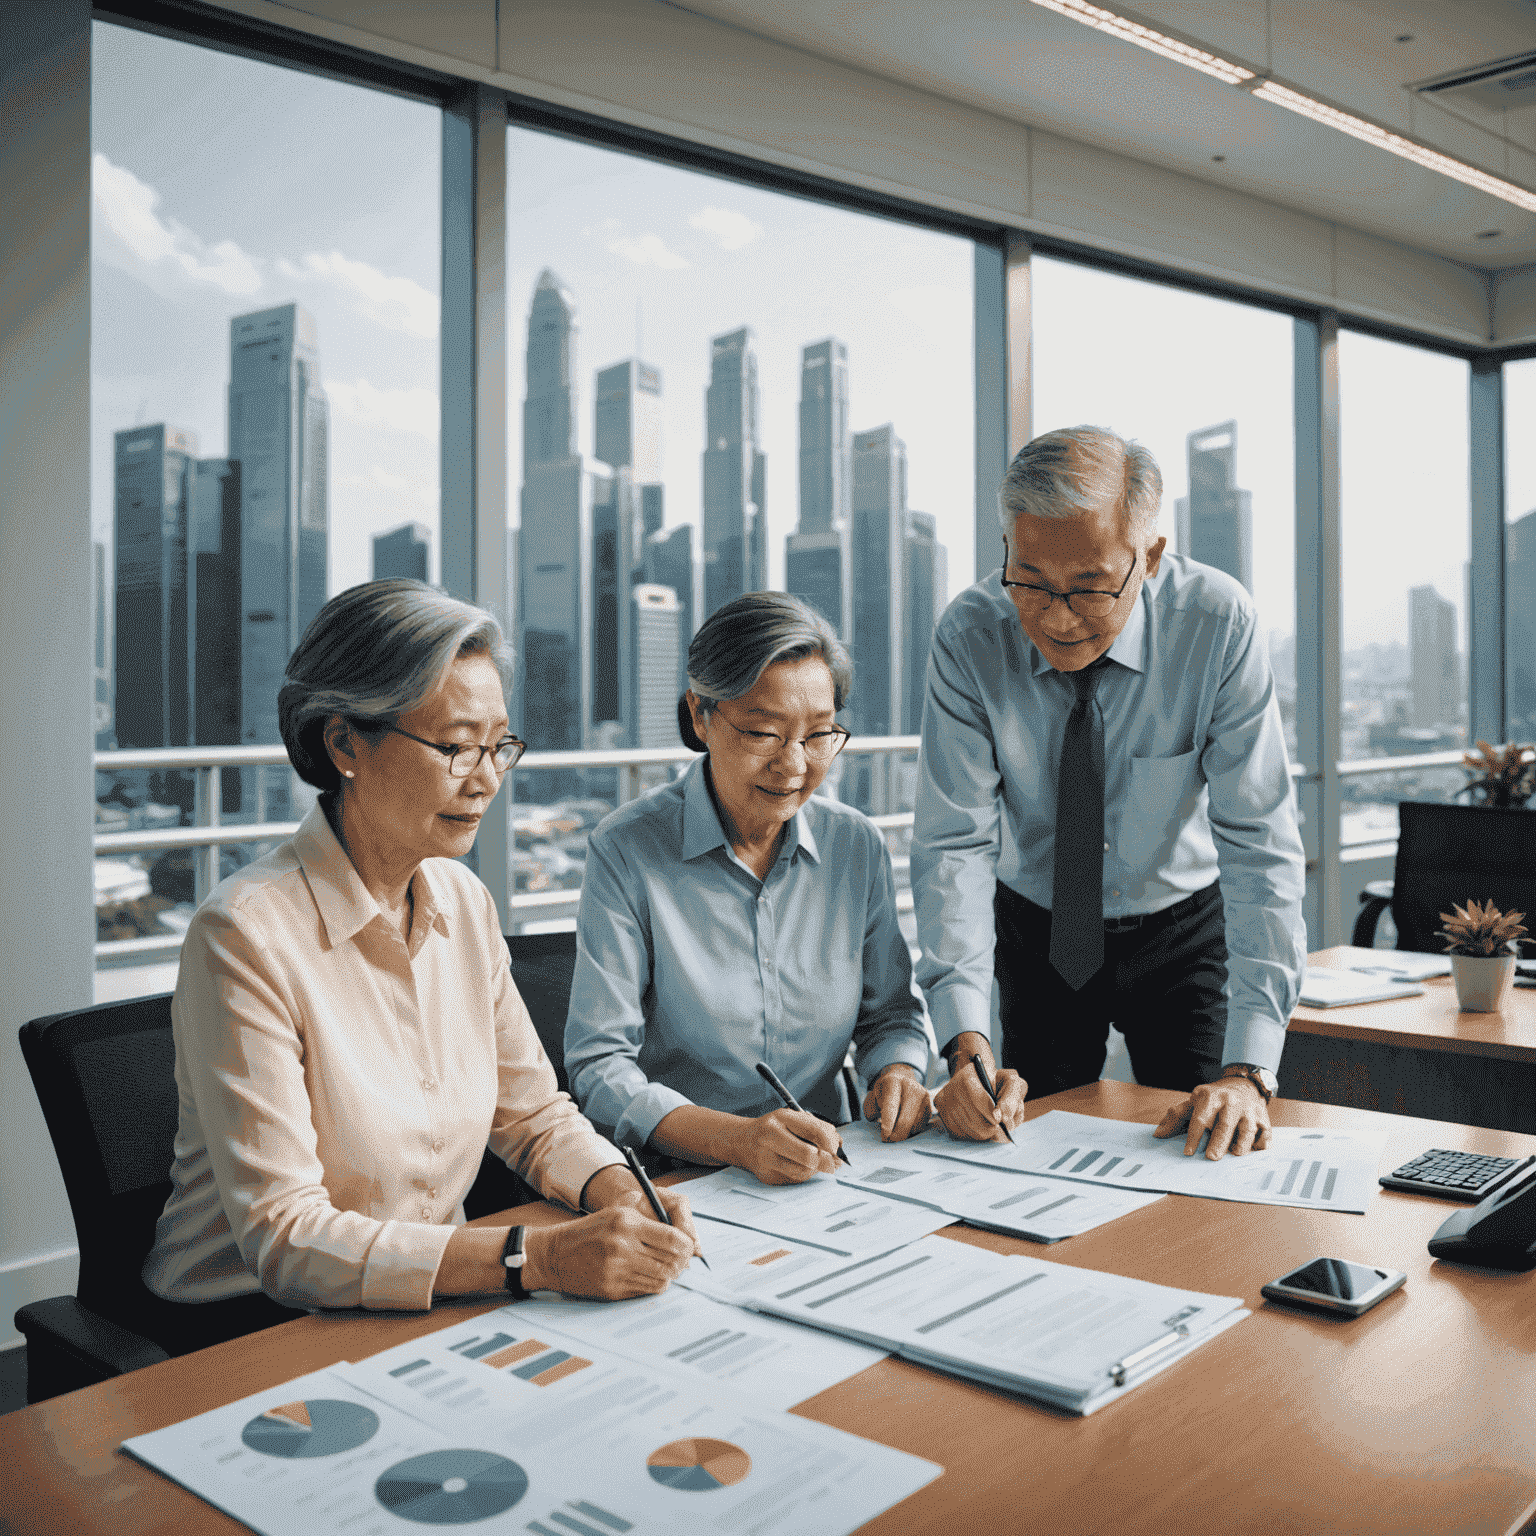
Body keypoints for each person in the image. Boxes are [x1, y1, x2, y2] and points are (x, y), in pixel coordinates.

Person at [143, 580, 697, 1350]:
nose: (487, 779)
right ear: (344, 744)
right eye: (455, 746)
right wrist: (531, 1257)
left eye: (498, 744)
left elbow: (532, 1115)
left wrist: (619, 1192)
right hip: (246, 1326)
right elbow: (287, 1238)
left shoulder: (462, 903)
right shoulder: (243, 935)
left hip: (439, 1292)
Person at [912, 426, 1305, 1162]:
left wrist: (1251, 1071)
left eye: (1089, 587)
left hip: (1184, 929)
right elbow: (953, 840)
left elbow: (1259, 840)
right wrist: (964, 1041)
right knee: (1016, 1156)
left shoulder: (1216, 625)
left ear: (1149, 558)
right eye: (1028, 579)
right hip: (1040, 929)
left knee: (1208, 1151)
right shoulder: (970, 636)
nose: (1056, 618)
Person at [564, 591, 932, 1184]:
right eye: (765, 733)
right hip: (676, 1178)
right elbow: (598, 1064)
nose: (794, 765)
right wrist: (735, 1141)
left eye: (818, 735)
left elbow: (890, 1017)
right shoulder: (627, 848)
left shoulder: (855, 847)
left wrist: (898, 1075)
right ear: (701, 714)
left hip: (828, 1169)